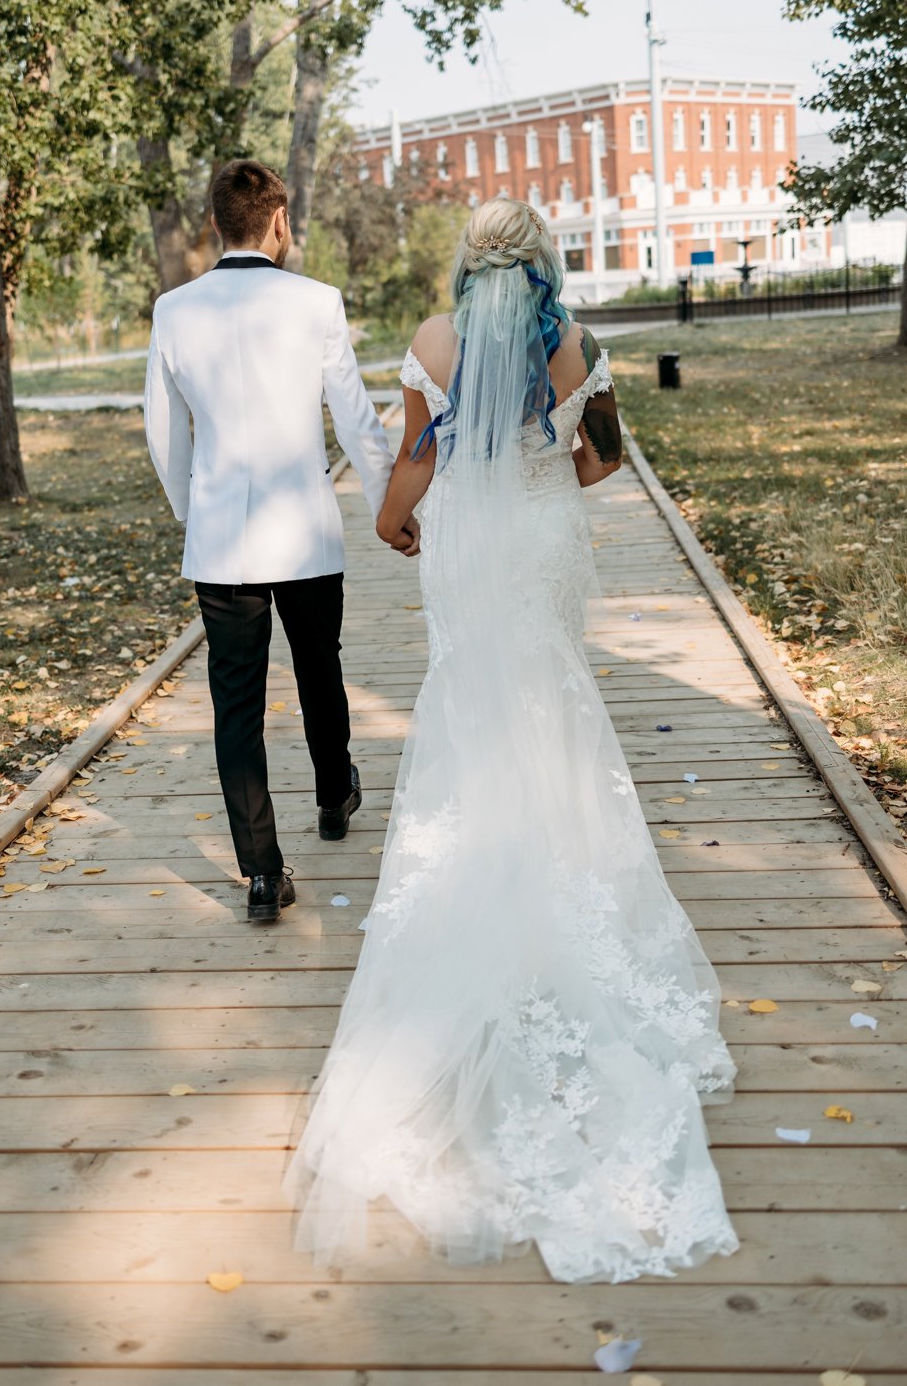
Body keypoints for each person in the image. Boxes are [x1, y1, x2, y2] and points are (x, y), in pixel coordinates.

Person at [283, 197, 740, 1283]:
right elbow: (606, 457)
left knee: (468, 697)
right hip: (536, 535)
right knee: (552, 695)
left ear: (465, 261)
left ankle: (484, 866)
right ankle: (559, 873)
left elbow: (413, 461)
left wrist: (397, 524)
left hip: (469, 542)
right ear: (541, 260)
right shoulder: (575, 342)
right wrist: (541, 474)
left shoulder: (431, 344)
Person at [144, 159, 412, 923]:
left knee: (236, 705)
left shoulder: (174, 310)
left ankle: (262, 874)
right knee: (319, 668)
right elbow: (356, 419)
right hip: (304, 536)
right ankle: (334, 796)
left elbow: (165, 438)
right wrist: (388, 507)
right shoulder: (316, 302)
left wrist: (197, 515)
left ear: (214, 226)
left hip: (222, 542)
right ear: (280, 221)